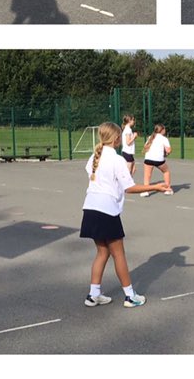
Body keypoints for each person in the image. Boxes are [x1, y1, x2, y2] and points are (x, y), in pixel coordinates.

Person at [81, 121, 170, 307]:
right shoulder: (117, 160)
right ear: (115, 139)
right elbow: (129, 188)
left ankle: (93, 294)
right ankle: (130, 296)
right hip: (106, 211)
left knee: (102, 252)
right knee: (118, 254)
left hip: (90, 208)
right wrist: (155, 186)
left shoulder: (93, 158)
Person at [139, 124, 173, 197]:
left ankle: (145, 191)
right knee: (166, 171)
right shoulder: (164, 139)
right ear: (162, 130)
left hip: (148, 158)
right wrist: (166, 154)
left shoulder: (150, 137)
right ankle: (168, 189)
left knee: (147, 175)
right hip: (159, 159)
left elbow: (145, 147)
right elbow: (168, 150)